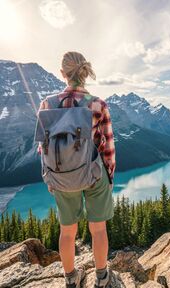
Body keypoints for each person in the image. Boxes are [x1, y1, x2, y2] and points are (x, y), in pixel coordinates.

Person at [37, 51, 116, 288]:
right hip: (92, 174)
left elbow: (43, 148)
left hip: (61, 175)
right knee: (98, 229)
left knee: (67, 231)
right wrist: (109, 176)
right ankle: (102, 277)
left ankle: (71, 278)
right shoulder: (98, 104)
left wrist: (51, 178)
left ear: (62, 73)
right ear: (85, 72)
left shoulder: (46, 104)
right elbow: (108, 148)